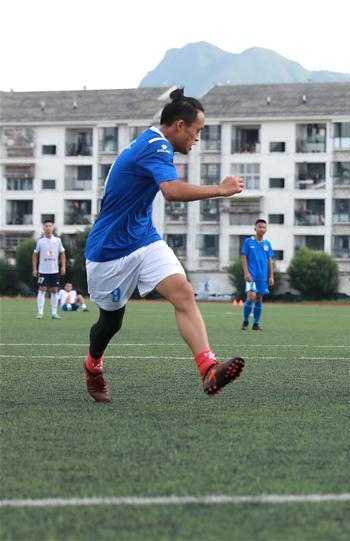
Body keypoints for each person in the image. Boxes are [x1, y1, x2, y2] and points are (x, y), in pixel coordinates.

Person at [82, 88, 246, 403]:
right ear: (179, 126)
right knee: (110, 323)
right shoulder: (155, 146)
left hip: (144, 240)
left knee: (183, 292)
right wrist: (221, 190)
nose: (197, 139)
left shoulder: (154, 144)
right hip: (108, 252)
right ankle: (93, 365)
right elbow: (170, 191)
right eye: (197, 131)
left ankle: (208, 369)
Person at [240, 219, 275, 331]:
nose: (262, 229)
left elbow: (269, 260)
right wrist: (246, 272)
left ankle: (256, 324)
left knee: (259, 298)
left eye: (264, 227)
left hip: (262, 276)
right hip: (251, 275)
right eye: (259, 227)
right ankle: (245, 321)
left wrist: (271, 276)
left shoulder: (267, 244)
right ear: (255, 229)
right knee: (251, 296)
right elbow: (243, 257)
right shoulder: (248, 241)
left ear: (266, 229)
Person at [33, 219, 66, 320]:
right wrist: (34, 268)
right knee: (42, 289)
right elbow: (35, 255)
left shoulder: (57, 240)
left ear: (53, 228)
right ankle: (40, 312)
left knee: (54, 290)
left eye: (50, 226)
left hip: (54, 270)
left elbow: (62, 253)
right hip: (43, 270)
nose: (48, 227)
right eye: (46, 226)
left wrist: (63, 266)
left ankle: (54, 313)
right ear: (43, 228)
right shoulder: (40, 241)